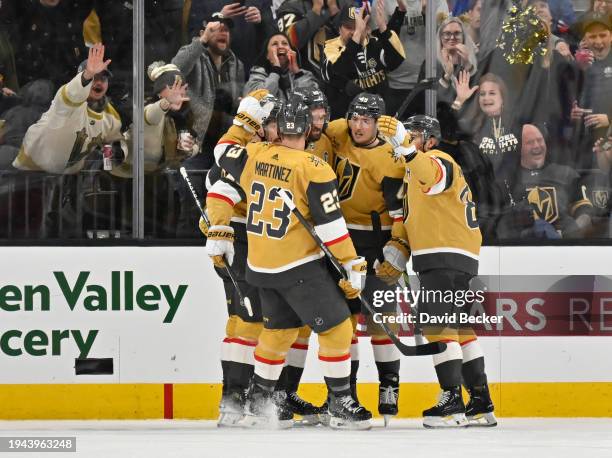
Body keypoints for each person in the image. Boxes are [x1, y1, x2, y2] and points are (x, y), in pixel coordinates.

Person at [206, 91, 372, 429]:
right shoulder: (313, 166)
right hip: (297, 266)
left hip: (261, 267)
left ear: (278, 128)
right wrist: (352, 263)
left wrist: (242, 123)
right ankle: (340, 402)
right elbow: (332, 228)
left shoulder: (254, 154)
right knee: (338, 327)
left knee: (278, 331)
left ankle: (259, 399)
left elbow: (222, 152)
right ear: (308, 131)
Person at [377, 113, 497, 428]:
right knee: (458, 329)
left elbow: (431, 176)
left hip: (445, 255)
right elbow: (410, 217)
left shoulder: (439, 158)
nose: (406, 141)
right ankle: (481, 402)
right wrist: (399, 251)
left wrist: (404, 145)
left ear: (429, 140)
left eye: (414, 135)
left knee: (435, 327)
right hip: (454, 256)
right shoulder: (411, 173)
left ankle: (452, 402)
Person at [324, 92, 408, 423]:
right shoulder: (338, 131)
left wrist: (399, 248)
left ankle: (389, 384)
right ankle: (348, 391)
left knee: (382, 319)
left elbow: (402, 212)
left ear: (378, 124)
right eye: (354, 119)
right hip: (341, 242)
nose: (358, 126)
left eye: (366, 121)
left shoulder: (390, 159)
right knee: (346, 322)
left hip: (376, 242)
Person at [12, 43, 122, 175]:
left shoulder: (111, 116)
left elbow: (113, 142)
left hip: (65, 181)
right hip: (29, 173)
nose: (98, 82)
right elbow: (72, 94)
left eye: (103, 78)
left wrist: (116, 155)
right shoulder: (67, 103)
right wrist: (87, 76)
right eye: (95, 78)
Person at [500, 124, 594, 239]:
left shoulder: (566, 174)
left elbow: (585, 213)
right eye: (529, 142)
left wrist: (571, 232)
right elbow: (501, 223)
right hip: (523, 249)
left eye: (539, 140)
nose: (536, 146)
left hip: (564, 249)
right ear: (519, 148)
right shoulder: (507, 180)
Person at [172, 12, 246, 145]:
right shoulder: (194, 56)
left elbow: (236, 101)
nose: (224, 32)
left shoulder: (237, 64)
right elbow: (175, 69)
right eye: (216, 29)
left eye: (227, 30)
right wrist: (203, 40)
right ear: (203, 33)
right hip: (195, 140)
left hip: (226, 139)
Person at [321, 4, 406, 119]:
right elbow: (337, 71)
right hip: (345, 121)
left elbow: (396, 61)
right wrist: (356, 36)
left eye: (357, 27)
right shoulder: (331, 47)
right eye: (348, 27)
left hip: (378, 118)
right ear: (339, 28)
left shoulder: (374, 43)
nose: (353, 32)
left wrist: (383, 29)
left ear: (367, 28)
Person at [372, 0, 449, 116]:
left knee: (428, 132)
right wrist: (399, 14)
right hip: (393, 85)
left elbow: (444, 39)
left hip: (429, 85)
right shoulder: (383, 2)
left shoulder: (437, 1)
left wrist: (426, 14)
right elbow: (379, 45)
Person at [571, 14, 611, 169]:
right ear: (585, 40)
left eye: (603, 35)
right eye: (592, 36)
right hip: (584, 146)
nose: (598, 41)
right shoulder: (579, 65)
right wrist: (572, 113)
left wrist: (609, 119)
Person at [275, 0, 353, 76]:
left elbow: (358, 40)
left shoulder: (346, 4)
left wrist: (334, 10)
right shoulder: (290, 6)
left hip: (343, 78)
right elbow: (289, 41)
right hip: (307, 79)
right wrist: (316, 10)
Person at [244, 32, 320, 102]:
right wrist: (276, 70)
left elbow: (313, 101)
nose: (280, 46)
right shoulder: (257, 74)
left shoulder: (304, 75)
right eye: (274, 44)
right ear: (267, 55)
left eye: (284, 43)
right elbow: (257, 101)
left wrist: (297, 73)